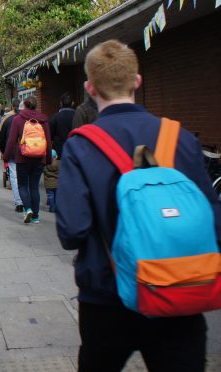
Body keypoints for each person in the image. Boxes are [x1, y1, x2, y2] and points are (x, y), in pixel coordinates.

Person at [57, 39, 221, 371]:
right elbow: (212, 218)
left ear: (90, 87)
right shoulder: (181, 138)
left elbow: (72, 231)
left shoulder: (81, 146)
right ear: (137, 81)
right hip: (179, 292)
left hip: (107, 296)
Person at [2, 96, 52, 224]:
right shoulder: (43, 120)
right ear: (36, 106)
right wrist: (48, 159)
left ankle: (28, 208)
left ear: (24, 105)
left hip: (22, 158)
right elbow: (48, 140)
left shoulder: (18, 119)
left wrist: (6, 156)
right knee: (34, 187)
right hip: (39, 157)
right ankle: (35, 216)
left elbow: (12, 140)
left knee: (22, 185)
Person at [0, 98, 23, 212]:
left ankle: (19, 202)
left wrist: (4, 152)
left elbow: (1, 138)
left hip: (13, 153)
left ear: (13, 107)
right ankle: (28, 201)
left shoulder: (8, 120)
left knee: (14, 177)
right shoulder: (30, 119)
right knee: (26, 178)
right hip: (29, 153)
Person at [49, 92, 75, 157]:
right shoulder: (78, 116)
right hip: (74, 150)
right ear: (72, 103)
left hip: (59, 151)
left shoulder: (55, 117)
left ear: (61, 103)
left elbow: (50, 135)